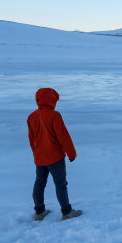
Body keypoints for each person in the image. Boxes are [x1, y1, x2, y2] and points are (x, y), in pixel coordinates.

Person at [27, 88, 82, 221]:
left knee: (39, 183)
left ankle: (39, 211)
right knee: (60, 184)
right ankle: (67, 212)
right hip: (55, 157)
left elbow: (31, 139)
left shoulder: (32, 116)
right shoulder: (54, 115)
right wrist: (72, 154)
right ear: (52, 100)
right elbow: (63, 136)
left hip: (40, 157)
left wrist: (36, 155)